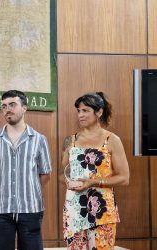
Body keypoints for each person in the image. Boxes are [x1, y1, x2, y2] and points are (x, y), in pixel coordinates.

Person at [0, 90, 52, 250]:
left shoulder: (39, 140)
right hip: (0, 210)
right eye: (4, 106)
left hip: (31, 208)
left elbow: (45, 174)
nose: (7, 109)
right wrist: (1, 191)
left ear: (24, 108)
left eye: (12, 105)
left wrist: (29, 190)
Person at [62, 92, 130, 250]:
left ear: (99, 112)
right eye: (78, 111)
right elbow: (62, 174)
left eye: (85, 110)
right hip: (74, 210)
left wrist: (93, 182)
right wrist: (69, 182)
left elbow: (124, 178)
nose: (80, 115)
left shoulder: (112, 140)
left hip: (102, 211)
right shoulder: (69, 140)